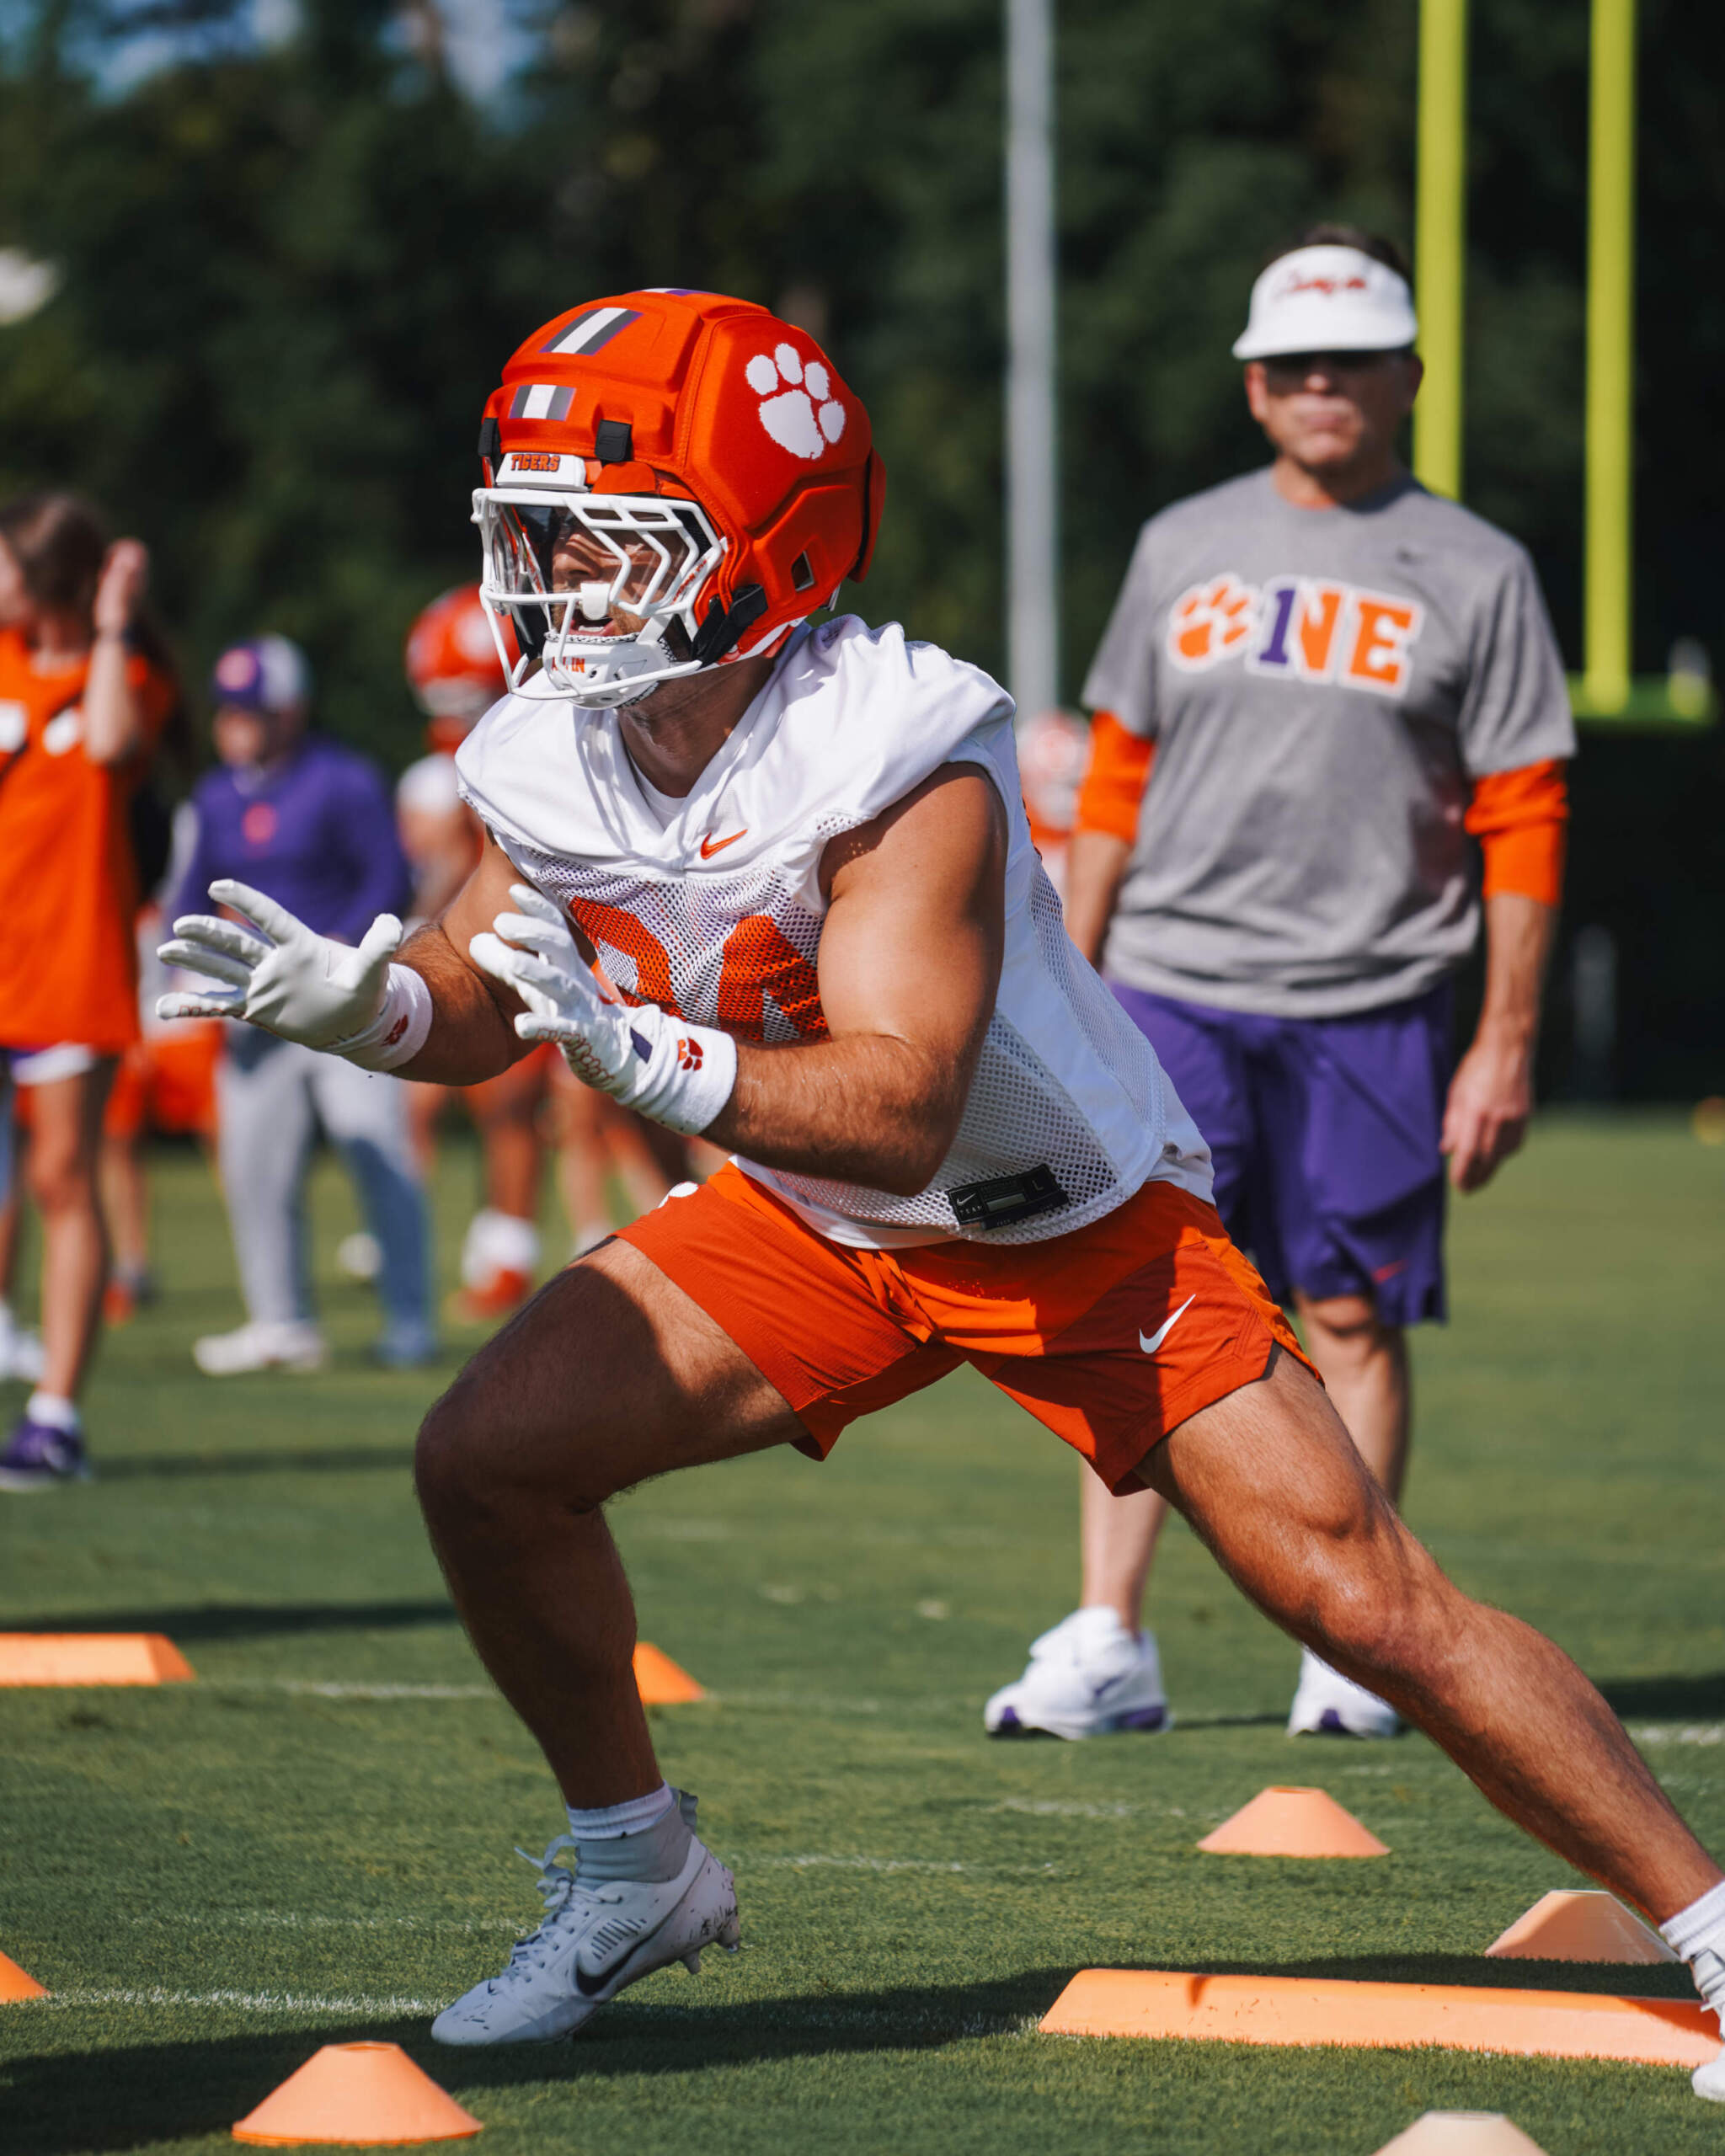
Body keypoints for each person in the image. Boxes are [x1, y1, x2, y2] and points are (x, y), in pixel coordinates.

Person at [154, 288, 1725, 2103]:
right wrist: (370, 1005)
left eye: (604, 530)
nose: (553, 569)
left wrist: (650, 1058)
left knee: (1360, 1597)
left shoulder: (896, 738)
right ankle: (635, 1870)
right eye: (538, 526)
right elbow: (477, 981)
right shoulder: (551, 739)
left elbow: (901, 1103)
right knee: (485, 1460)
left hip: (1057, 1216)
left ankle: (1707, 1918)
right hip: (811, 1223)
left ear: (764, 544)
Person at [984, 227, 1578, 1746]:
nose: (1323, 385)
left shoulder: (1479, 569)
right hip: (1172, 985)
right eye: (1294, 364)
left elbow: (1522, 809)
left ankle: (1357, 1641)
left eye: (1351, 362)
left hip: (1374, 995)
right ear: (1253, 387)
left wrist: (1505, 1037)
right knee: (1135, 1300)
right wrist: (1063, 981)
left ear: (1408, 378)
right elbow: (1115, 777)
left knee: (1350, 1312)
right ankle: (1108, 1635)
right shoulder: (1180, 541)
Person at [169, 635, 434, 1373]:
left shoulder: (342, 781)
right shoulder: (215, 796)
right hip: (257, 1007)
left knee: (371, 1144)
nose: (233, 724)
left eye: (249, 710)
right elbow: (190, 895)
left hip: (344, 997)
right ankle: (280, 1322)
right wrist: (184, 967)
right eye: (227, 710)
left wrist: (335, 955)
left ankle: (409, 1317)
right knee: (253, 1163)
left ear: (289, 712)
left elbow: (387, 878)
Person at [0, 493, 178, 1488]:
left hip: (70, 964)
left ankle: (55, 1416)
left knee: (62, 1176)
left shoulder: (128, 673)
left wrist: (111, 622)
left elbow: (110, 745)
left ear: (49, 579)